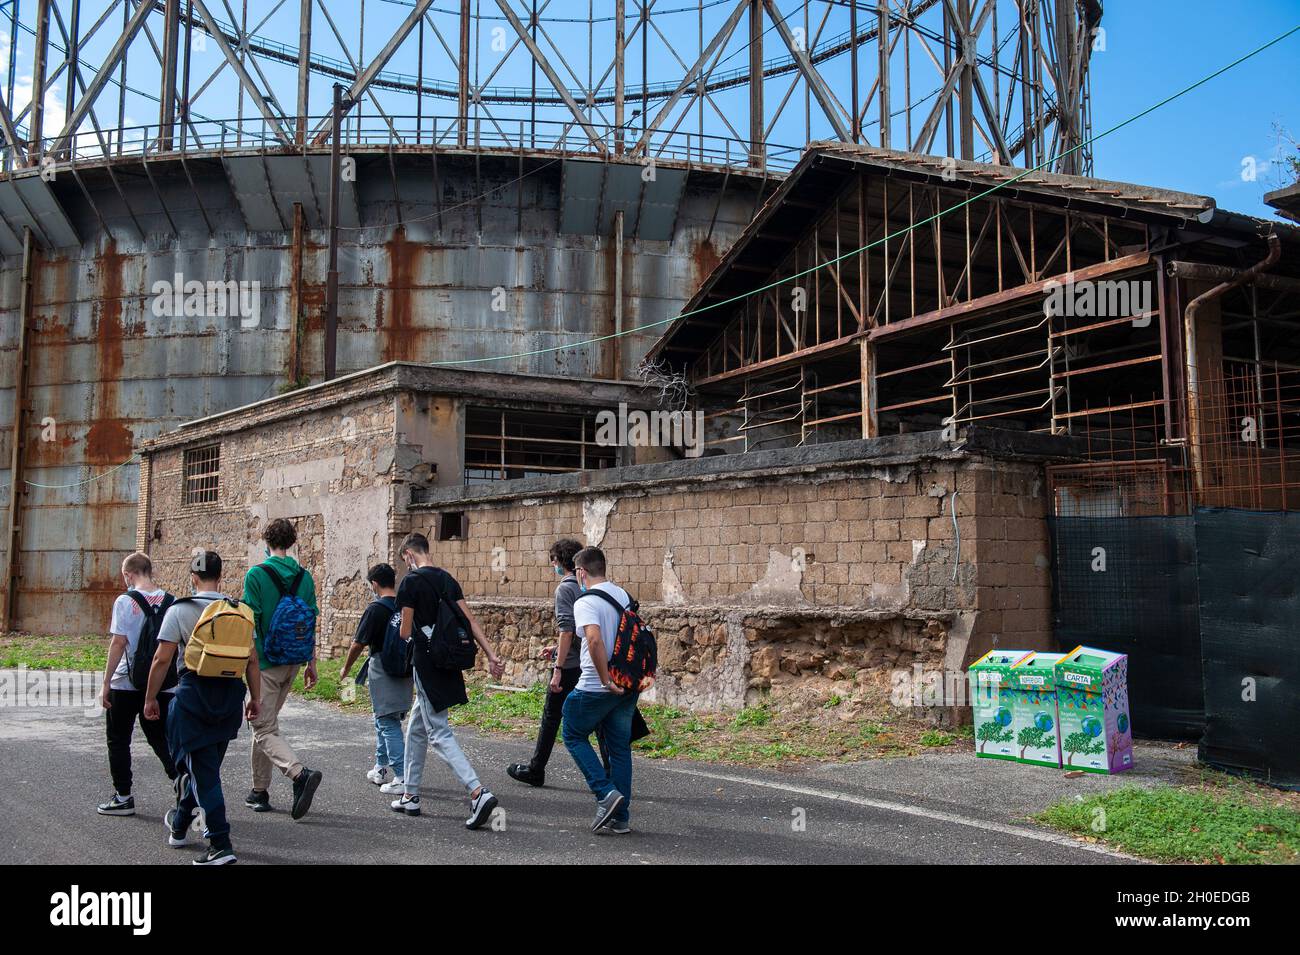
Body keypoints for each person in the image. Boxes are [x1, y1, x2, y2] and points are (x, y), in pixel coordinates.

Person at [144, 551, 262, 865]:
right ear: (221, 577)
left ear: (193, 578)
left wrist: (150, 698)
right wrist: (256, 698)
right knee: (204, 770)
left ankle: (220, 844)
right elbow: (252, 661)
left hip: (193, 696)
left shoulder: (179, 610)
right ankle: (180, 826)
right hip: (229, 698)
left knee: (203, 774)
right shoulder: (240, 611)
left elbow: (162, 659)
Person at [390, 532, 503, 829]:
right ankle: (410, 795)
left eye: (405, 561)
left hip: (426, 663)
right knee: (416, 728)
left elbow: (404, 632)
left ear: (409, 556)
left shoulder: (411, 582)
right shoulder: (447, 579)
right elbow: (470, 621)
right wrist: (491, 655)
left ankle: (478, 792)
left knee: (438, 732)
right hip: (448, 660)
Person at [506, 538, 607, 787]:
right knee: (599, 720)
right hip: (590, 661)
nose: (553, 566)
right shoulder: (590, 585)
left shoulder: (565, 588)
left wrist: (558, 668)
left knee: (552, 716)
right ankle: (610, 770)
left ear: (561, 560)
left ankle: (536, 769)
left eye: (553, 561)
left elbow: (566, 630)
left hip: (571, 664)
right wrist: (557, 648)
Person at [242, 518, 323, 819]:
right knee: (267, 725)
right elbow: (311, 620)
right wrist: (311, 663)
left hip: (264, 663)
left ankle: (300, 774)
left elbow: (250, 623)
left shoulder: (256, 575)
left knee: (262, 727)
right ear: (291, 543)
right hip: (293, 660)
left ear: (266, 542)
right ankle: (259, 791)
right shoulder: (305, 577)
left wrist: (249, 663)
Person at [96, 552, 180, 816]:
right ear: (149, 571)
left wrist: (106, 682)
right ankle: (182, 782)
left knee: (119, 739)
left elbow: (119, 642)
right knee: (160, 738)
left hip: (125, 683)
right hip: (161, 684)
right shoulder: (171, 601)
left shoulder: (125, 601)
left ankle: (123, 797)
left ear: (128, 574)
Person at [562, 546, 638, 834]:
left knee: (572, 732)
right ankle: (621, 819)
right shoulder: (623, 596)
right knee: (619, 748)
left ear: (581, 572)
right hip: (628, 684)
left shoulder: (585, 601)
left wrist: (605, 680)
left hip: (597, 686)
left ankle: (605, 793)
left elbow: (594, 641)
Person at [340, 563, 411, 795]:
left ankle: (401, 777)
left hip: (382, 669)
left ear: (374, 584)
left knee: (388, 722)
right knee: (383, 719)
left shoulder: (376, 609)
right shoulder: (404, 607)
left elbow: (358, 644)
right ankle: (380, 768)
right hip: (404, 669)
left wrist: (346, 669)